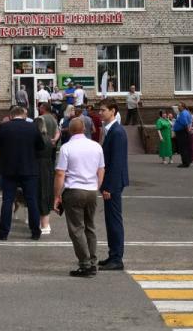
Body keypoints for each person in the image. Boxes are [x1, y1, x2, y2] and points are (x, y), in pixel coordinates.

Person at [54, 117, 106, 277]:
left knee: (76, 229)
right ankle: (93, 261)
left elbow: (60, 173)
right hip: (91, 190)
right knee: (90, 226)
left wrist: (57, 195)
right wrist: (96, 186)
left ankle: (85, 264)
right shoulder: (96, 146)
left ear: (70, 130)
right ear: (84, 129)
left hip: (74, 190)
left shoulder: (66, 148)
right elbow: (101, 169)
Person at [0, 106, 44, 240]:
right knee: (32, 200)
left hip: (8, 169)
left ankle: (4, 232)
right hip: (29, 168)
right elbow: (41, 146)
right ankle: (35, 231)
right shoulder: (32, 127)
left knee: (7, 200)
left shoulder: (4, 127)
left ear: (11, 116)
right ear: (24, 116)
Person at [98, 98, 129, 270]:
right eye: (100, 110)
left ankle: (117, 258)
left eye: (103, 110)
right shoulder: (110, 130)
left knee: (114, 220)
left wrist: (108, 186)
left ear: (113, 111)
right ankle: (113, 255)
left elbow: (116, 162)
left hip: (114, 184)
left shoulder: (117, 132)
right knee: (110, 220)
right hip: (112, 182)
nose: (100, 113)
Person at [36, 102, 60, 234]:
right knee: (47, 186)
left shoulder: (41, 119)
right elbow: (58, 132)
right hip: (50, 151)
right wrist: (54, 140)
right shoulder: (54, 119)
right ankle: (45, 223)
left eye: (40, 107)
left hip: (40, 155)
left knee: (41, 190)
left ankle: (42, 224)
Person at [173, 103, 193, 167]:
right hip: (184, 132)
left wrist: (187, 129)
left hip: (182, 132)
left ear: (182, 107)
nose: (178, 107)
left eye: (179, 106)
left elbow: (185, 122)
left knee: (183, 148)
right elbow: (190, 121)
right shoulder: (187, 112)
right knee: (186, 147)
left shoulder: (183, 113)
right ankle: (188, 161)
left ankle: (185, 163)